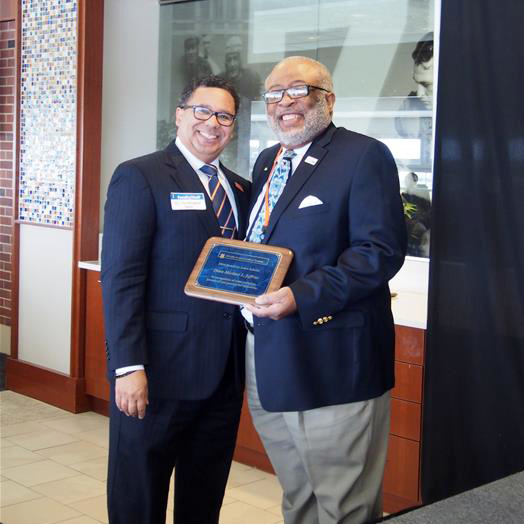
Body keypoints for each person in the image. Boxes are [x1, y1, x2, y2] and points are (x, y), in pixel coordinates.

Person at [243, 56, 407, 524]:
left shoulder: (363, 155)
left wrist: (300, 295)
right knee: (298, 495)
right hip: (266, 352)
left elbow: (378, 252)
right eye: (273, 94)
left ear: (328, 100)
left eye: (297, 90)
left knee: (344, 505)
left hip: (331, 356)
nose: (284, 103)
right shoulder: (267, 161)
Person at [101, 75, 250, 524]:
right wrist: (128, 366)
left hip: (224, 374)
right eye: (203, 111)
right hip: (157, 374)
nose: (213, 123)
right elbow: (121, 277)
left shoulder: (240, 189)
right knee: (139, 497)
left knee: (203, 499)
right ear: (181, 115)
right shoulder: (140, 175)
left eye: (225, 116)